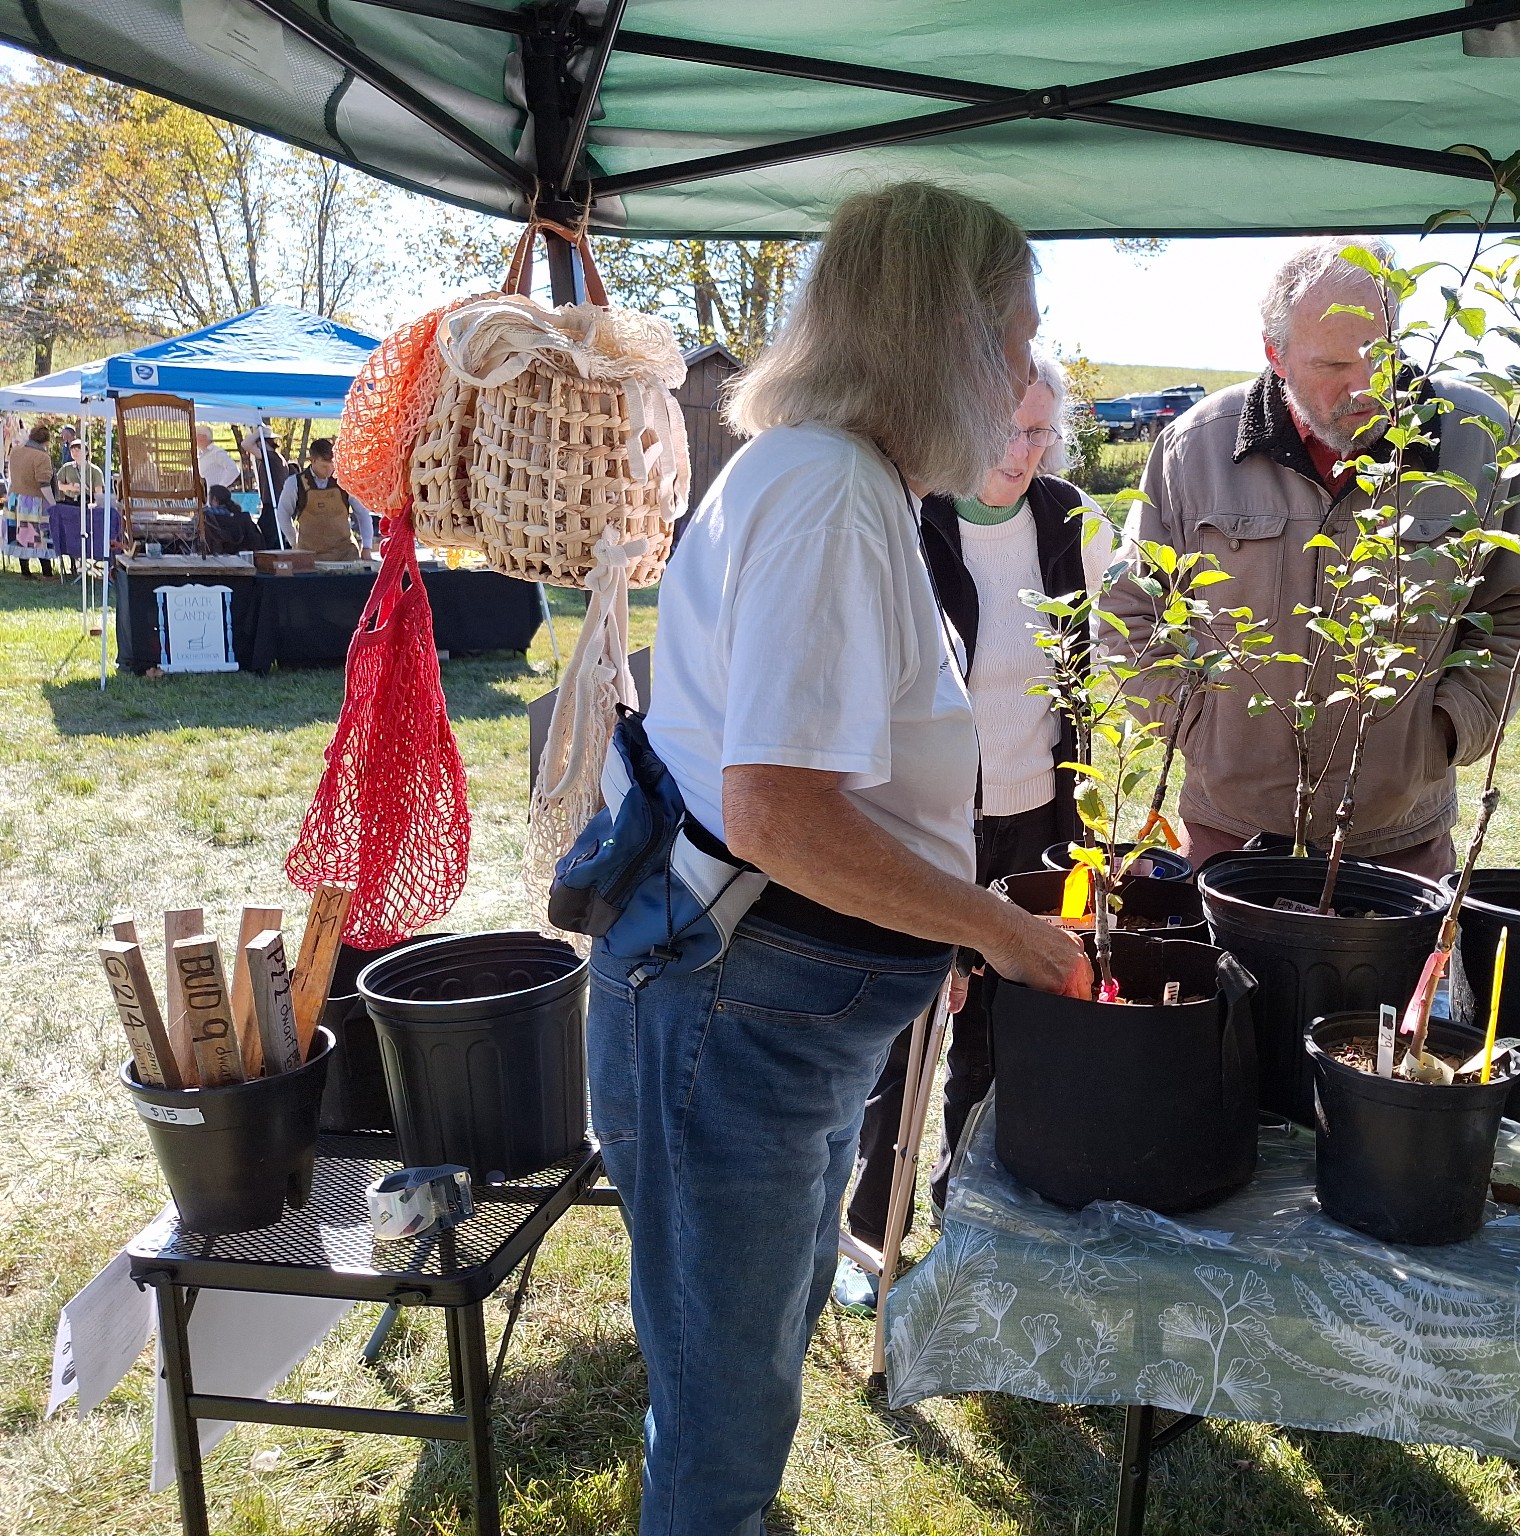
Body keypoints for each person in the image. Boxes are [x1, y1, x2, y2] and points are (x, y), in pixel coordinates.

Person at [585, 180, 1090, 1536]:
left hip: (770, 1013)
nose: (1029, 373)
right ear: (939, 334)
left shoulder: (847, 480)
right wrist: (988, 925)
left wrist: (934, 924)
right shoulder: (819, 488)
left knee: (750, 1340)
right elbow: (782, 818)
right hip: (730, 1008)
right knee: (726, 1394)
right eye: (1015, 334)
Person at [1106, 237, 1520, 876]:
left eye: (1380, 357)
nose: (1364, 388)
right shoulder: (1195, 448)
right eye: (1330, 366)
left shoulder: (1475, 438)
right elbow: (1131, 608)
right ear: (1276, 355)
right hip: (1232, 828)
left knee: (1399, 980)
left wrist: (1455, 725)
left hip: (1401, 832)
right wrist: (1195, 726)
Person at [838, 346, 1114, 1301]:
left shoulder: (1076, 523)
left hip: (1043, 822)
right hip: (933, 822)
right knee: (911, 1026)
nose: (1023, 449)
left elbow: (1102, 669)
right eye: (1004, 428)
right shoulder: (915, 519)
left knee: (1005, 1038)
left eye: (1040, 430)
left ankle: (972, 1222)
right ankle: (873, 1235)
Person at [279, 438, 373, 560]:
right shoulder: (294, 484)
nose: (329, 470)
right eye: (324, 466)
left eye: (332, 465)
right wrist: (294, 541)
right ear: (312, 460)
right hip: (310, 556)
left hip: (345, 554)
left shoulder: (345, 481)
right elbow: (283, 514)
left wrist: (367, 547)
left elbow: (363, 513)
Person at [7, 424, 57, 579]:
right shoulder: (41, 456)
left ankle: (25, 572)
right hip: (34, 502)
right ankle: (47, 573)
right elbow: (43, 483)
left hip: (15, 499)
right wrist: (53, 504)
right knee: (40, 535)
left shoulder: (15, 452)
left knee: (21, 536)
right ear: (46, 441)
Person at [243, 424, 292, 547]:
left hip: (273, 505)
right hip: (274, 504)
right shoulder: (276, 457)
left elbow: (245, 444)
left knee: (264, 540)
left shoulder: (270, 457)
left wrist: (258, 432)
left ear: (261, 442)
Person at [202, 483, 263, 553]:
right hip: (242, 552)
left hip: (218, 553)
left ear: (214, 498)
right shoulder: (239, 516)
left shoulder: (208, 515)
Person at [194, 425, 241, 492]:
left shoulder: (217, 453)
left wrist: (220, 487)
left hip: (216, 498)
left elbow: (234, 469)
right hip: (205, 497)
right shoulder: (200, 454)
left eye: (195, 436)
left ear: (203, 437)